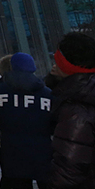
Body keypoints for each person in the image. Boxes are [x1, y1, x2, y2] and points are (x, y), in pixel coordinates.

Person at [0, 52, 53, 189]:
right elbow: (55, 121)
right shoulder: (47, 94)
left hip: (10, 150)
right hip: (42, 150)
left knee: (14, 182)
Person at [47, 32, 95, 188]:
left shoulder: (76, 111)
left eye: (57, 61)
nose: (53, 65)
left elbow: (68, 171)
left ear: (67, 66)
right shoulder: (87, 93)